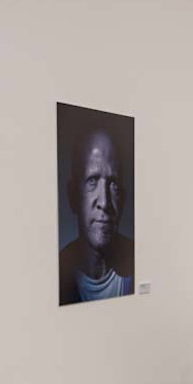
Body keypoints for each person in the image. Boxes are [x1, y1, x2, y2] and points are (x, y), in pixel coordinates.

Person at [58, 129, 134, 305]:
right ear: (73, 195)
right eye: (92, 180)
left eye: (113, 184)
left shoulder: (140, 262)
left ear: (123, 197)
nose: (105, 202)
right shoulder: (56, 272)